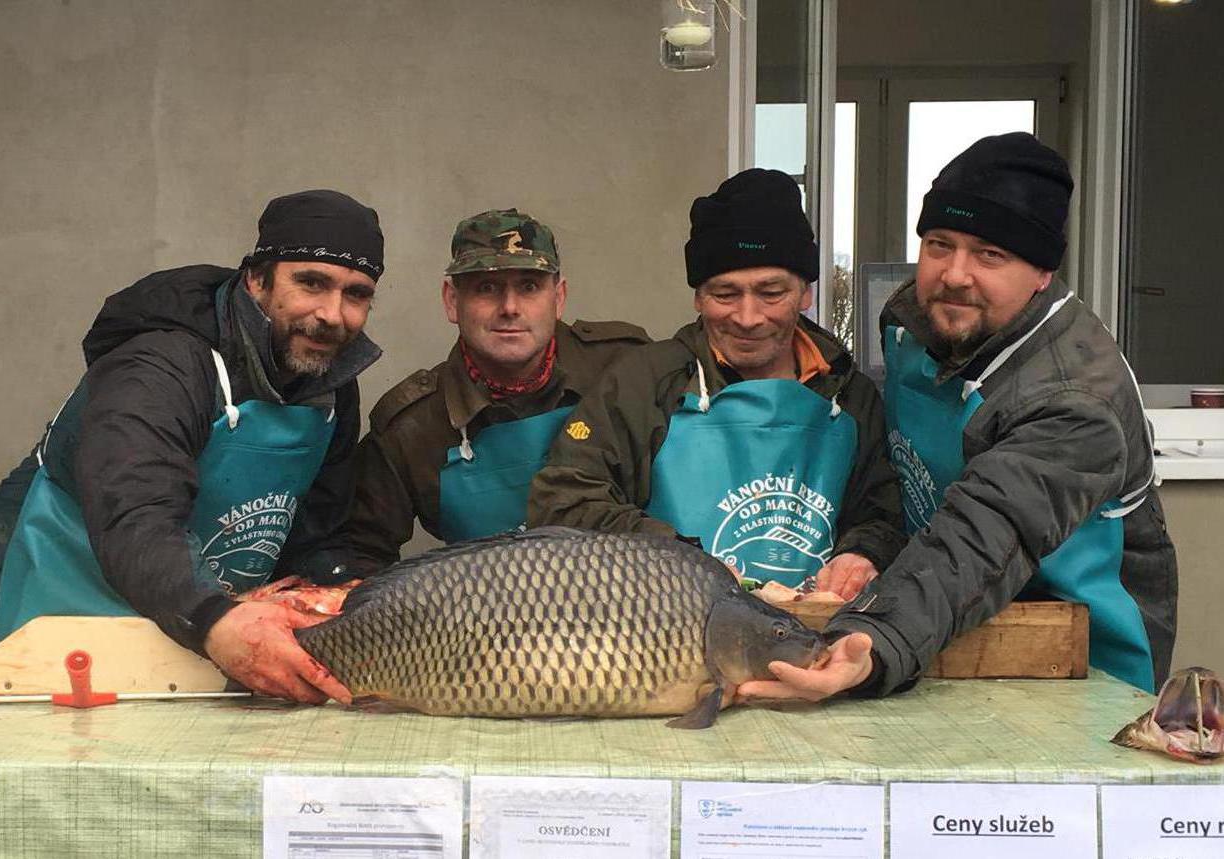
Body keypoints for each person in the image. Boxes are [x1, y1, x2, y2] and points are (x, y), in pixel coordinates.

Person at [746, 133, 1178, 703]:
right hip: (941, 626)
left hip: (1077, 660)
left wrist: (873, 639)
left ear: (1042, 273)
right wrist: (869, 546)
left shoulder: (1075, 400)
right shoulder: (913, 320)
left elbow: (982, 538)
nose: (954, 274)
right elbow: (899, 466)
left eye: (990, 254)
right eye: (939, 244)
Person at [0, 189, 388, 705]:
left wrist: (348, 592)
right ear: (257, 280)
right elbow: (135, 513)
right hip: (54, 598)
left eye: (356, 294)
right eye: (311, 283)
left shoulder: (331, 382)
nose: (332, 315)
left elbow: (318, 532)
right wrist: (212, 617)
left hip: (197, 621)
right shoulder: (160, 366)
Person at [527, 169, 905, 595]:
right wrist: (675, 557)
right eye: (725, 294)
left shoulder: (849, 393)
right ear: (697, 297)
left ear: (806, 293)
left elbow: (883, 512)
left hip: (814, 639)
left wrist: (864, 553)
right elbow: (562, 499)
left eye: (772, 293)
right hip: (670, 636)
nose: (748, 317)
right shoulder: (645, 382)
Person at [345, 208, 649, 570]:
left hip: (634, 612)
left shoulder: (624, 370)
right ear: (452, 301)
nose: (509, 308)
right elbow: (359, 552)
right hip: (488, 619)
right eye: (487, 288)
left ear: (559, 297)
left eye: (529, 286)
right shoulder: (411, 427)